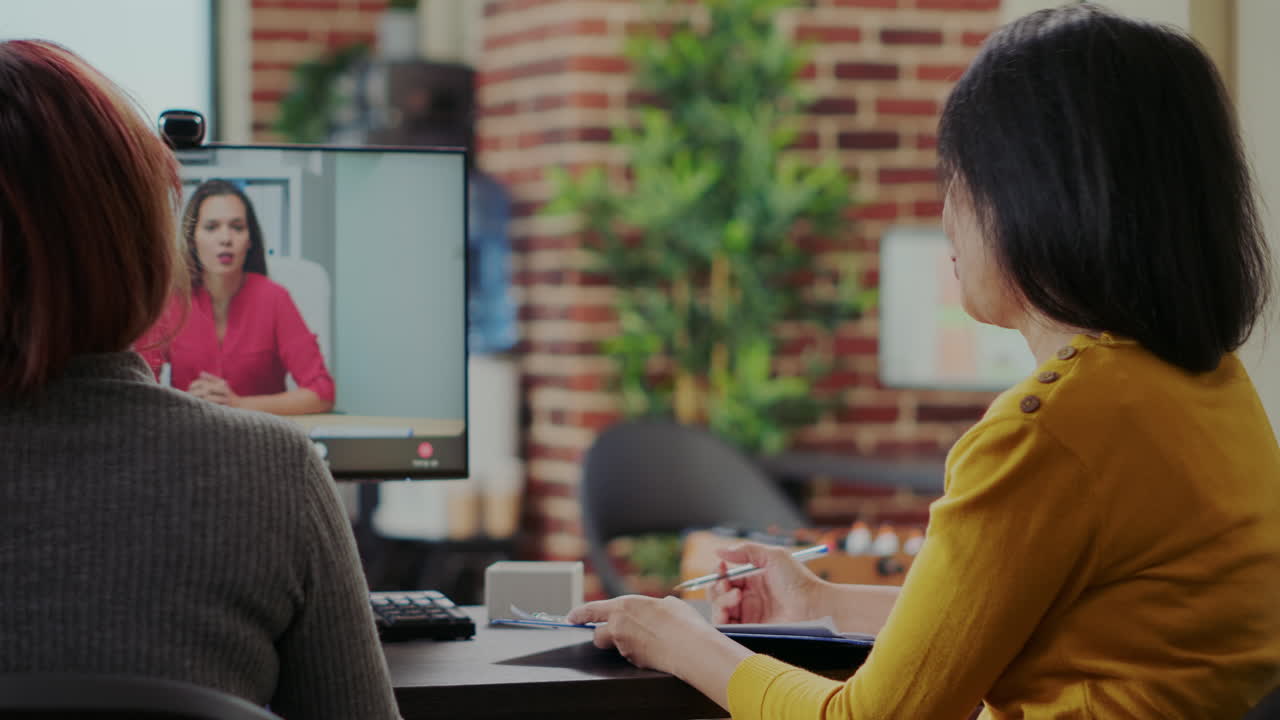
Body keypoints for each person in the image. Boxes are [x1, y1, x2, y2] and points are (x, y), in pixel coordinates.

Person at [568, 5, 1280, 719]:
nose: (947, 214)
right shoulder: (1214, 389)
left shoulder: (1052, 431)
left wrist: (683, 641)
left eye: (963, 179)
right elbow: (1032, 628)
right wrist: (821, 602)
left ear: (1040, 196)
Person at [0, 40, 399, 718]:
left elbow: (319, 386)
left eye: (234, 227)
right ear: (148, 242)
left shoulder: (273, 301)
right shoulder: (275, 473)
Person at [137, 179, 335, 416]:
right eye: (211, 227)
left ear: (250, 240)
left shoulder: (275, 298)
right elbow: (140, 389)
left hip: (262, 438)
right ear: (192, 239)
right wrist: (186, 404)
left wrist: (238, 404)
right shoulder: (171, 302)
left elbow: (322, 392)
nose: (226, 239)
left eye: (237, 227)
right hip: (190, 438)